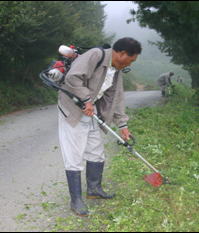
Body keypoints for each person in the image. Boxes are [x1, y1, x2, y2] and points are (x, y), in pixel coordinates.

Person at [58, 37, 142, 217]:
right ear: (122, 53)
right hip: (72, 107)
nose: (130, 64)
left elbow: (116, 98)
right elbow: (73, 77)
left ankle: (94, 189)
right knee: (74, 154)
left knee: (96, 150)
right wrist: (86, 100)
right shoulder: (96, 55)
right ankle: (76, 200)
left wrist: (123, 124)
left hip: (90, 108)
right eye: (131, 59)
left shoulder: (116, 69)